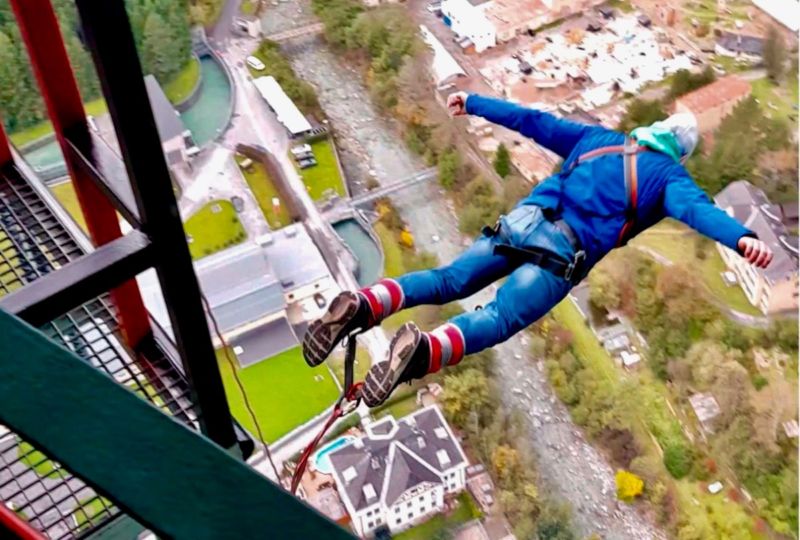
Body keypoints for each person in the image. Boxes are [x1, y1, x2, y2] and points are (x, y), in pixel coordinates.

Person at [303, 92, 774, 408]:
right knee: (496, 319)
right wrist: (741, 238)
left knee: (449, 279)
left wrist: (472, 102)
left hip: (523, 221)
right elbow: (697, 211)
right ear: (680, 154)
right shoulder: (669, 178)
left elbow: (533, 122)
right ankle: (422, 351)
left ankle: (364, 304)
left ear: (653, 130)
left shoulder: (601, 140)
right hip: (561, 253)